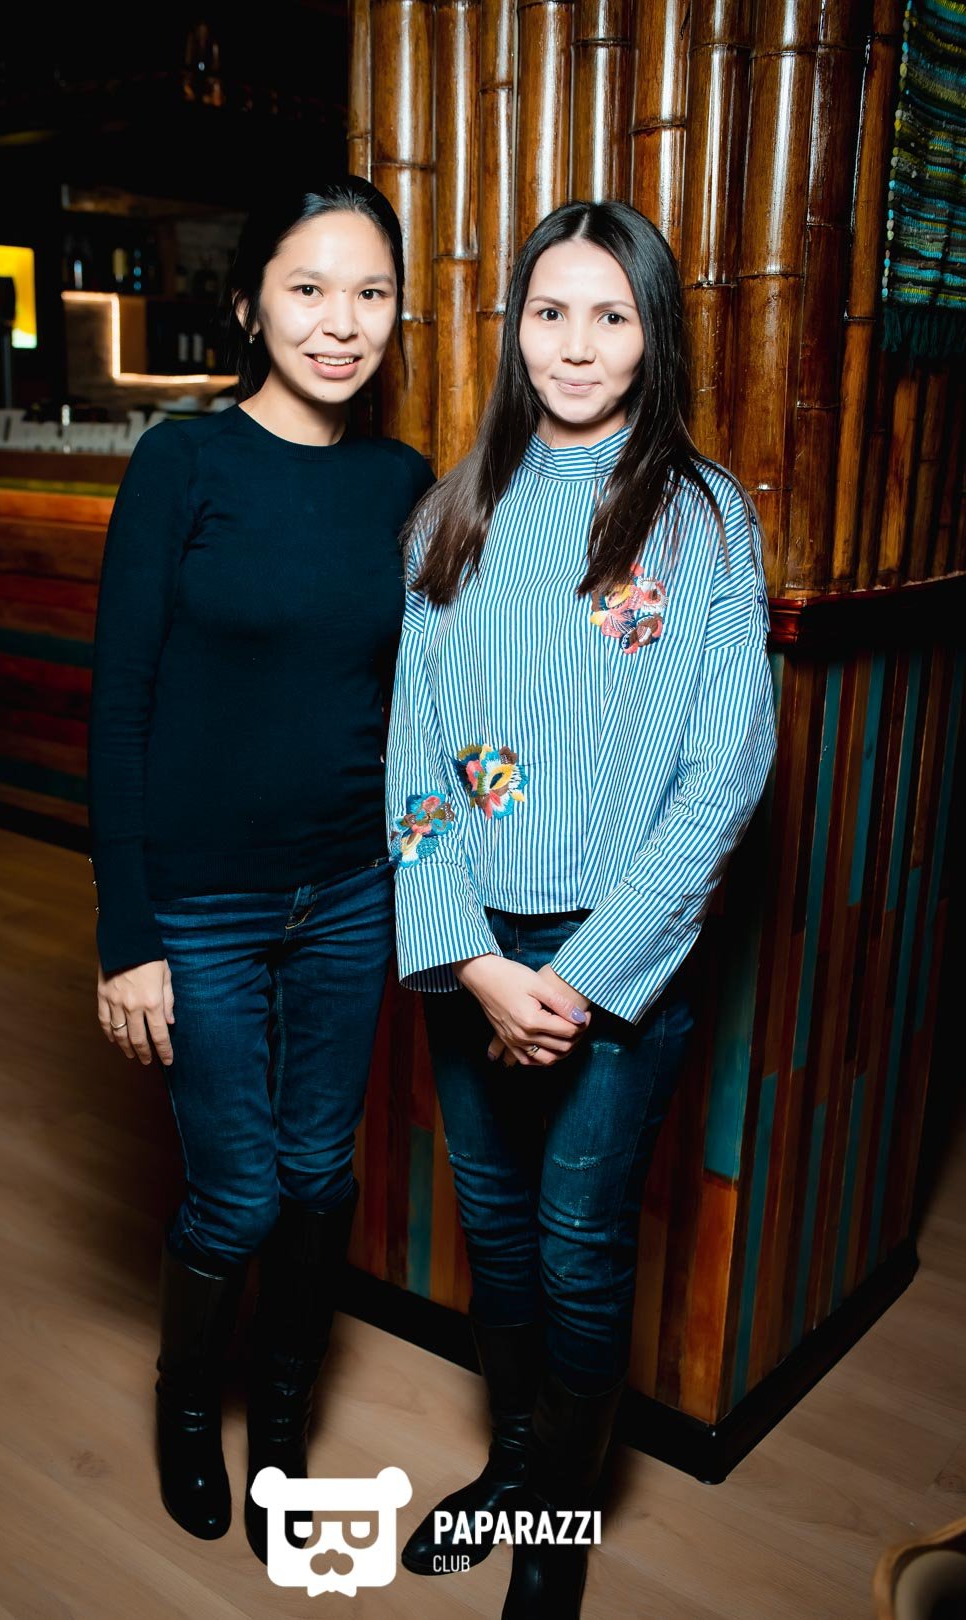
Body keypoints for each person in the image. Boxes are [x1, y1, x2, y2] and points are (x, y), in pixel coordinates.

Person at [386, 199, 777, 1618]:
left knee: (576, 1246)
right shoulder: (455, 507)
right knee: (495, 1237)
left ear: (652, 333)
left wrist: (584, 973)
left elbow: (727, 769)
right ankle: (512, 1468)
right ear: (517, 330)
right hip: (475, 955)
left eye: (610, 314)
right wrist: (477, 965)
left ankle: (553, 1530)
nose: (575, 343)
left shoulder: (705, 517)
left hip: (618, 970)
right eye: (550, 312)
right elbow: (412, 754)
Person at [87, 176, 433, 1556]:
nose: (340, 323)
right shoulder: (181, 464)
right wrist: (127, 932)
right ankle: (188, 1403)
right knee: (238, 1191)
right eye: (308, 288)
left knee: (320, 1175)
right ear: (248, 305)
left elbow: (425, 694)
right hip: (202, 904)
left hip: (350, 890)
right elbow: (119, 705)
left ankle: (282, 1411)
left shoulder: (402, 483)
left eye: (370, 293)